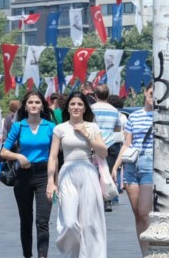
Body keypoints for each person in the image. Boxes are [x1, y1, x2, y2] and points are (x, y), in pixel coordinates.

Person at [46, 91, 108, 258]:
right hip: (67, 174)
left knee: (90, 223)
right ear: (68, 107)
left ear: (85, 107)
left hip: (88, 173)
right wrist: (51, 182)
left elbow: (103, 152)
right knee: (70, 222)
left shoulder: (92, 127)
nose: (76, 107)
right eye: (73, 104)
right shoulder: (60, 128)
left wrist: (86, 134)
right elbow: (52, 157)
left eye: (80, 104)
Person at [0, 91, 56, 258]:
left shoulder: (50, 127)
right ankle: (27, 255)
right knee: (26, 221)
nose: (34, 105)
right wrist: (18, 156)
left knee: (42, 221)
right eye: (31, 102)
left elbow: (55, 156)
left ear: (42, 106)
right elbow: (3, 152)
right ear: (25, 105)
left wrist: (54, 180)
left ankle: (42, 256)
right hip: (23, 176)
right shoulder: (19, 126)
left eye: (37, 102)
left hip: (44, 174)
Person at [112, 83, 155, 255]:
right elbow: (127, 144)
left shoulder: (162, 116)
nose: (153, 96)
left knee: (145, 211)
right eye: (151, 93)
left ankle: (152, 249)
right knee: (137, 213)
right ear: (145, 92)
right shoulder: (134, 117)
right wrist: (116, 166)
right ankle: (145, 252)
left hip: (150, 163)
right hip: (131, 164)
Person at [91, 84, 122, 212]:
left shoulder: (91, 108)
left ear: (95, 95)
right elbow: (117, 128)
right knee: (107, 173)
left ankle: (95, 200)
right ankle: (107, 200)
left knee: (93, 173)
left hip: (94, 144)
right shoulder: (115, 111)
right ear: (108, 96)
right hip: (110, 144)